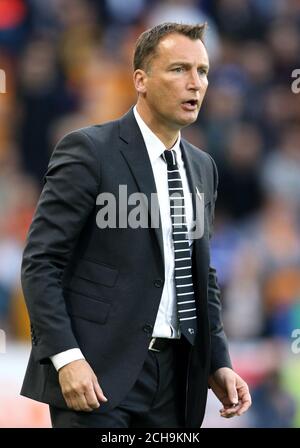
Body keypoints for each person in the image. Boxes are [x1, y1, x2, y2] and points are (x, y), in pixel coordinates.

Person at [20, 22, 251, 428]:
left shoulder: (203, 168)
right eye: (179, 69)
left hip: (177, 383)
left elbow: (201, 275)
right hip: (97, 377)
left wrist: (218, 361)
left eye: (203, 71)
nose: (195, 84)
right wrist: (66, 357)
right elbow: (41, 262)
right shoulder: (88, 150)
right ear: (140, 80)